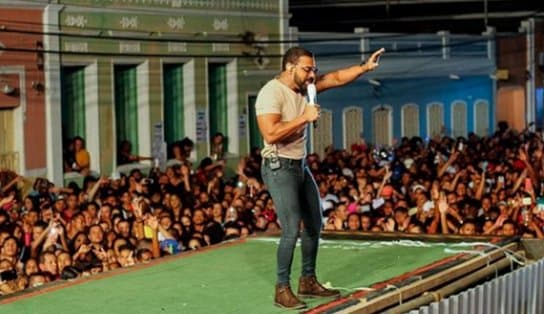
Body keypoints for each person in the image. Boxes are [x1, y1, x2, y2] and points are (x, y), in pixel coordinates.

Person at [255, 46, 385, 309]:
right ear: (290, 67)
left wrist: (364, 67)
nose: (313, 74)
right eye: (307, 69)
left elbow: (335, 78)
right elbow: (270, 133)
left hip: (299, 165)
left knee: (314, 223)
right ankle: (282, 289)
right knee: (291, 229)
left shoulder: (306, 88)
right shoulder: (271, 93)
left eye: (314, 68)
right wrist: (304, 117)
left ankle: (308, 280)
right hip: (278, 165)